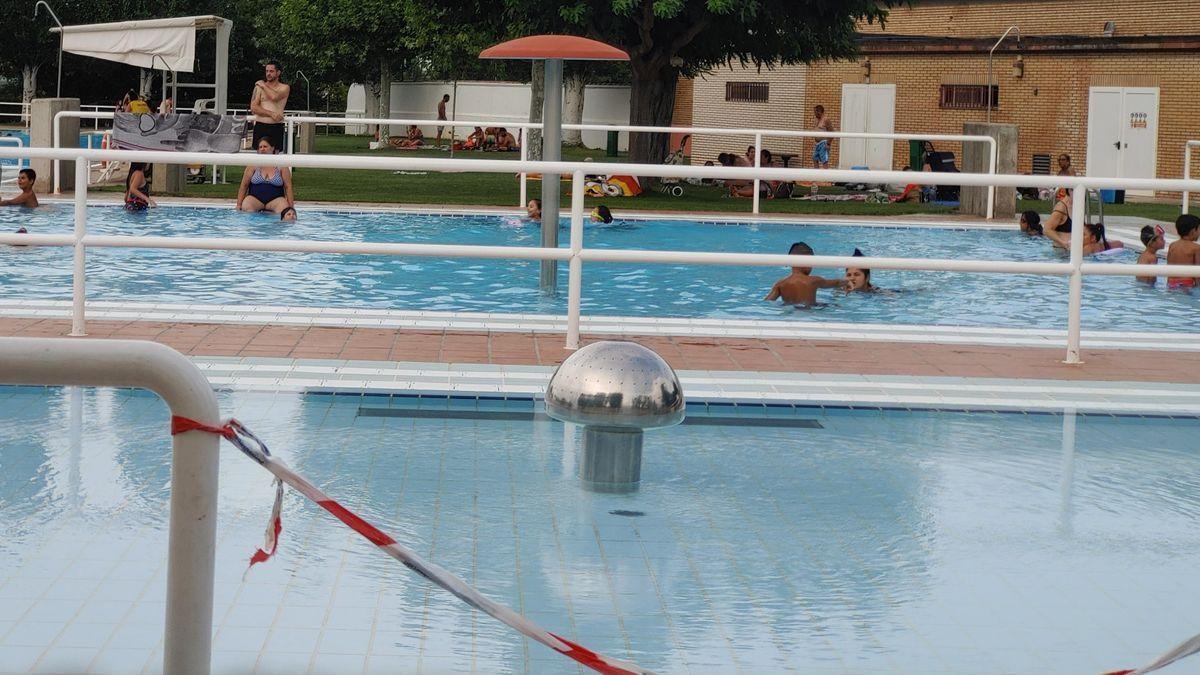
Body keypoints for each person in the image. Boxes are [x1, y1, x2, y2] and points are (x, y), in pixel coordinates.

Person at [764, 241, 844, 305]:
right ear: (807, 263)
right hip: (809, 311)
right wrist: (847, 281)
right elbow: (836, 283)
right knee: (832, 305)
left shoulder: (780, 284)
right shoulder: (814, 280)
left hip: (789, 311)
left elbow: (767, 302)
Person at [237, 137, 295, 215]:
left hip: (276, 200)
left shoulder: (281, 165)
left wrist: (291, 207)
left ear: (272, 148)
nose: (262, 149)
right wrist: (239, 204)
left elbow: (288, 187)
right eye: (260, 147)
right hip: (255, 199)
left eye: (265, 146)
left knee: (282, 211)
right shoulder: (253, 165)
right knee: (247, 208)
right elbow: (244, 185)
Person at [250, 60, 290, 153]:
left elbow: (274, 97)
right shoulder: (258, 87)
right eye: (267, 71)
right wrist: (271, 113)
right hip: (261, 126)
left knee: (275, 157)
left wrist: (264, 85)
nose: (268, 74)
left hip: (276, 127)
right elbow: (254, 107)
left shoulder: (284, 87)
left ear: (278, 73)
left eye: (271, 71)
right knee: (259, 157)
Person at [1167, 214, 1200, 289]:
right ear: (1193, 231)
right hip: (1187, 284)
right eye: (1199, 229)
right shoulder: (1196, 248)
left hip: (1171, 283)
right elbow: (1198, 272)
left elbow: (1169, 267)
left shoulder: (1172, 246)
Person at [812, 105, 834, 170]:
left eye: (815, 112)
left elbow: (832, 132)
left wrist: (828, 144)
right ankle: (817, 176)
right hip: (817, 144)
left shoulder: (826, 120)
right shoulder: (816, 120)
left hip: (824, 143)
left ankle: (826, 178)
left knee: (824, 160)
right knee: (814, 158)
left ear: (819, 112)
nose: (814, 114)